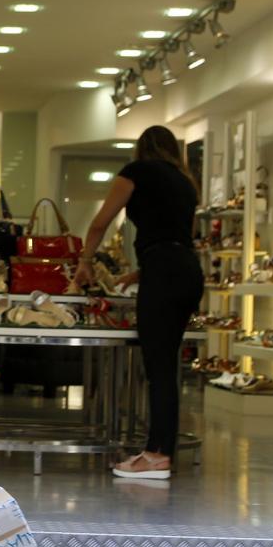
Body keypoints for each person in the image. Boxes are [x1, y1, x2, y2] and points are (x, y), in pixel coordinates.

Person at [75, 126, 203, 480]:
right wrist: (141, 272)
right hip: (187, 271)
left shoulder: (136, 172)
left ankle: (157, 456)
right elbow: (181, 236)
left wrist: (85, 261)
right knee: (167, 366)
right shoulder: (186, 182)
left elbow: (100, 223)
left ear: (141, 148)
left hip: (163, 271)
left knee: (158, 368)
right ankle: (160, 451)